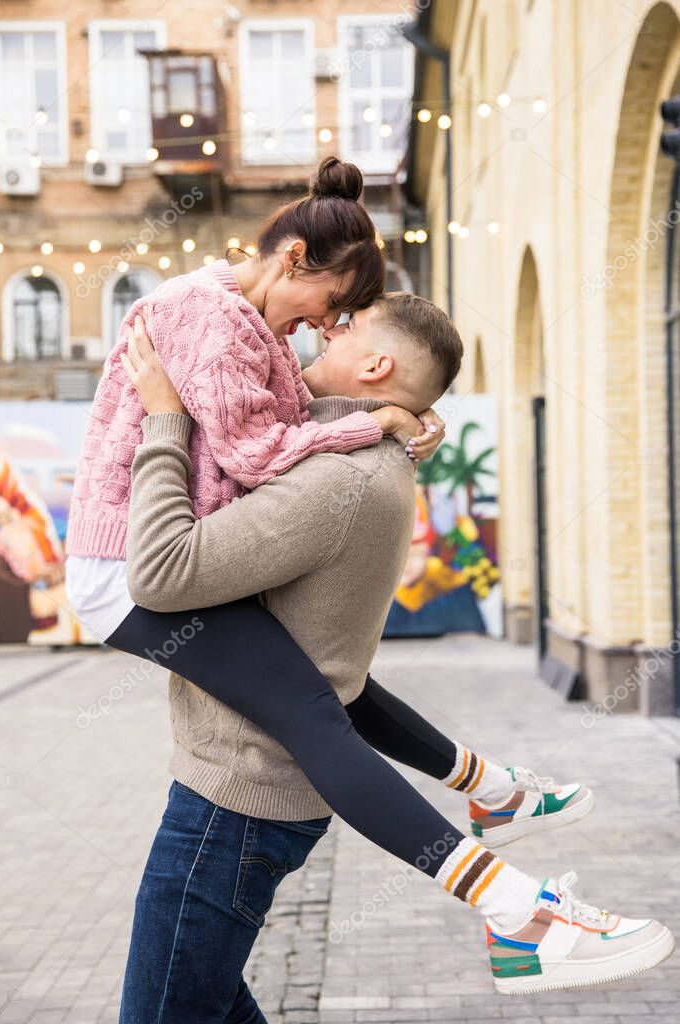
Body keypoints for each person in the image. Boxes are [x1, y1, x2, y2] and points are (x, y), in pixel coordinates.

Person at [113, 296, 672, 1020]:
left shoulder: (340, 482)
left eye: (344, 324)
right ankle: (504, 839)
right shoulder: (365, 462)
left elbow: (161, 573)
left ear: (376, 364)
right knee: (208, 1007)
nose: (323, 325)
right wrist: (394, 417)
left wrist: (164, 418)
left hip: (231, 802)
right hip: (253, 795)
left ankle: (521, 908)